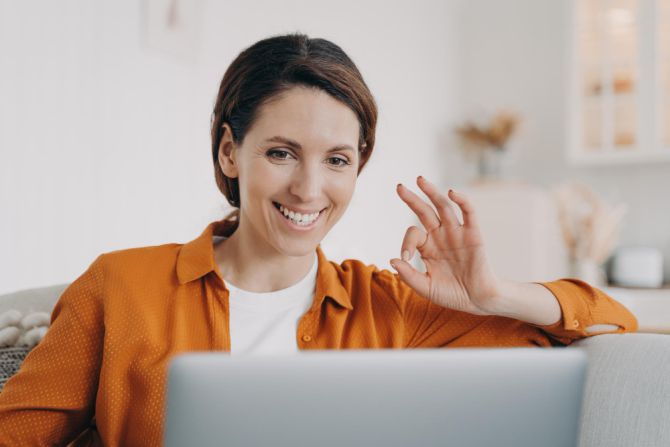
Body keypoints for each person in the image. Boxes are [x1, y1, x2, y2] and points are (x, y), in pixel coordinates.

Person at [0, 33, 637, 446]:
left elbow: (614, 324)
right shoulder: (119, 285)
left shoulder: (390, 305)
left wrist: (495, 293)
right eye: (281, 152)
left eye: (336, 160)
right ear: (230, 151)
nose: (309, 189)